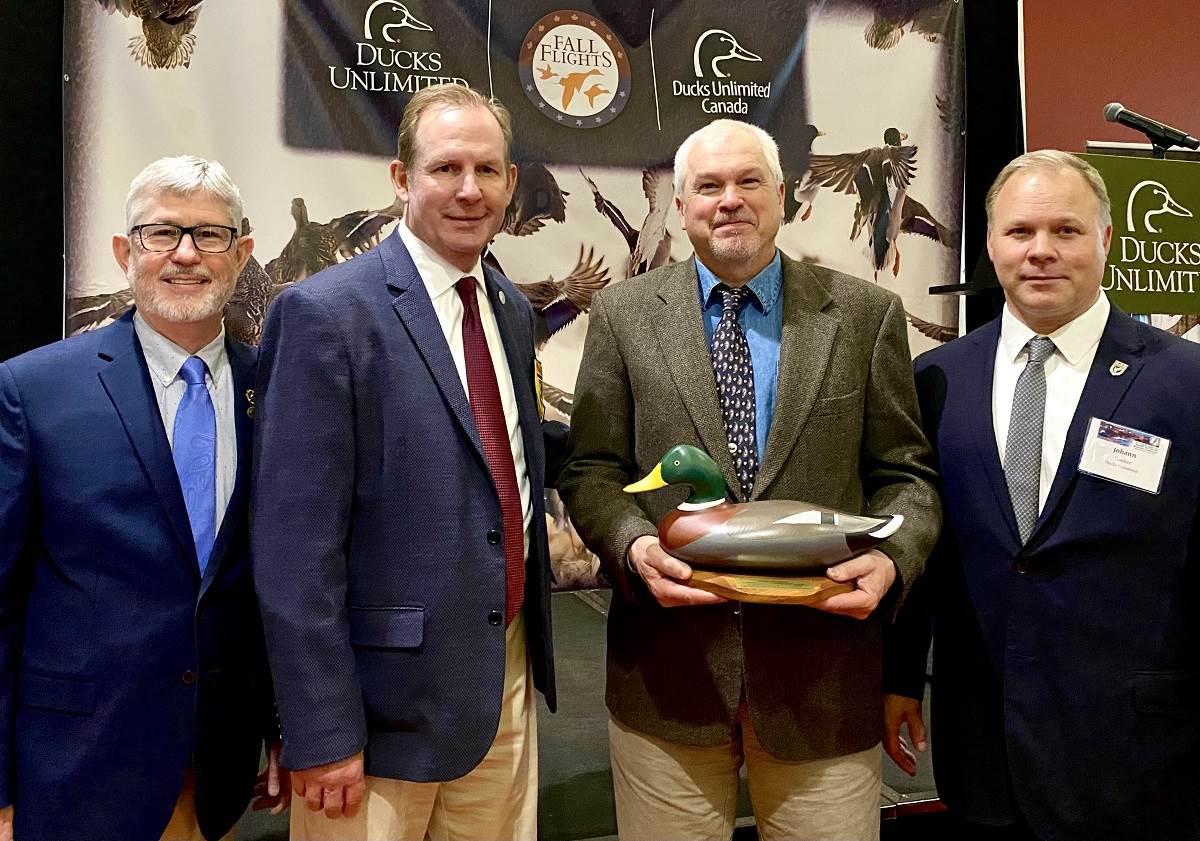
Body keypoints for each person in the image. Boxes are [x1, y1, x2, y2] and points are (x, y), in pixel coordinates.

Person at [557, 118, 940, 841]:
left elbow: (907, 477)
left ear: (785, 196)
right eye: (708, 185)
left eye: (748, 181)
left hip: (825, 681)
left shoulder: (864, 316)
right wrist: (636, 544)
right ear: (681, 208)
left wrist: (890, 558)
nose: (728, 200)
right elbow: (592, 469)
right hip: (667, 684)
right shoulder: (622, 315)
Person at [252, 84, 567, 840]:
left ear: (511, 185)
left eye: (488, 170)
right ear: (401, 180)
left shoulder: (509, 307)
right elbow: (295, 548)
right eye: (445, 167)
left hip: (503, 692)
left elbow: (504, 470)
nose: (469, 189)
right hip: (376, 721)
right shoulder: (325, 314)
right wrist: (323, 731)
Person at [884, 149, 1200, 841]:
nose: (1041, 252)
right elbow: (921, 543)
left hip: (1142, 757)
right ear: (992, 243)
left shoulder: (1186, 379)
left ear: (1106, 240)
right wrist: (900, 676)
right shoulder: (937, 379)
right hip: (984, 750)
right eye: (1021, 232)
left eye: (1066, 231)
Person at [0, 155, 286, 841]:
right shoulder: (35, 391)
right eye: (161, 234)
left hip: (213, 773)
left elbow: (279, 576)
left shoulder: (279, 389)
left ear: (242, 253)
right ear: (125, 252)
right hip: (72, 772)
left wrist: (281, 725)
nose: (185, 255)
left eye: (209, 235)